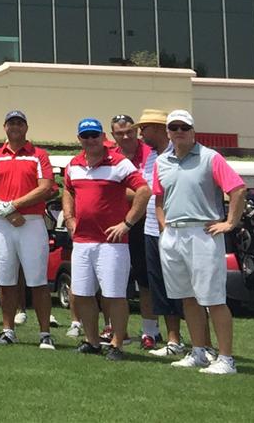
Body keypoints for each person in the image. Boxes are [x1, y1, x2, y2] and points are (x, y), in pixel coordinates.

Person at [153, 109, 245, 375]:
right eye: (174, 128)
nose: (179, 132)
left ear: (193, 131)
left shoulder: (210, 157)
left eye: (184, 127)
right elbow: (159, 198)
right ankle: (199, 352)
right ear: (168, 132)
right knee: (187, 297)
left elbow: (237, 189)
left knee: (213, 298)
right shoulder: (162, 161)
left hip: (203, 233)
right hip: (173, 234)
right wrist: (163, 226)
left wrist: (230, 222)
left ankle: (226, 359)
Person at [62, 117, 149, 360]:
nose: (90, 140)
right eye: (85, 136)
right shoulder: (74, 164)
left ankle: (117, 344)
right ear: (79, 138)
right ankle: (92, 341)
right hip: (82, 240)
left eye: (94, 135)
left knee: (114, 295)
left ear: (103, 137)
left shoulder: (119, 163)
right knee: (82, 294)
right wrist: (69, 218)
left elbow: (144, 190)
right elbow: (67, 190)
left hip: (112, 242)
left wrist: (127, 223)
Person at [0, 109, 57, 348]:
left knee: (37, 280)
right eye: (11, 123)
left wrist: (13, 206)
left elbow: (45, 187)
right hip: (2, 223)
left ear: (26, 127)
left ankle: (45, 334)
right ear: (4, 127)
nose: (15, 127)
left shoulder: (38, 155)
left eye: (19, 123)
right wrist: (4, 209)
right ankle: (8, 331)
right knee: (6, 279)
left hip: (31, 222)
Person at [135, 109, 186, 357]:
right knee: (160, 287)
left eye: (144, 128)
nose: (141, 133)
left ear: (156, 128)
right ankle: (173, 340)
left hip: (174, 230)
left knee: (183, 288)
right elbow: (146, 192)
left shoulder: (177, 154)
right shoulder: (152, 157)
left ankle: (201, 342)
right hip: (151, 230)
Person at [109, 112, 158, 347]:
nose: (126, 136)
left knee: (146, 278)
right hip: (115, 223)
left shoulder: (150, 153)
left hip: (144, 222)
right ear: (113, 135)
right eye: (120, 133)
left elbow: (148, 189)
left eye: (130, 131)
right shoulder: (108, 155)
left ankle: (150, 331)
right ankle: (116, 329)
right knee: (112, 277)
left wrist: (122, 191)